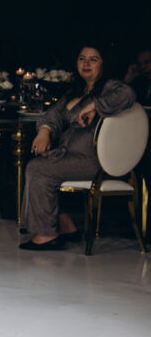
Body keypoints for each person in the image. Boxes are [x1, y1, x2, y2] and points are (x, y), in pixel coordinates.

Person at [19, 45, 136, 251]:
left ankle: (47, 234)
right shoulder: (75, 92)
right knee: (38, 163)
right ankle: (66, 226)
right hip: (70, 155)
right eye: (82, 59)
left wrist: (94, 105)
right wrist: (44, 131)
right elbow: (52, 114)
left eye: (93, 59)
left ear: (104, 64)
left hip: (93, 159)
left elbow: (128, 94)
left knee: (38, 169)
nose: (86, 64)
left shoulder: (110, 87)